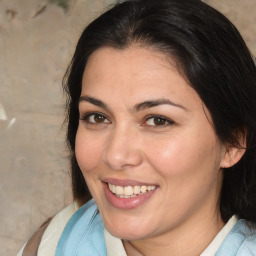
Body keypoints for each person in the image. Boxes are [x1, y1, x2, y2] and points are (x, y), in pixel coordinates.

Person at [18, 0, 256, 255]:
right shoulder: (52, 243)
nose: (116, 156)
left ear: (232, 142)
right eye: (98, 117)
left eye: (158, 120)